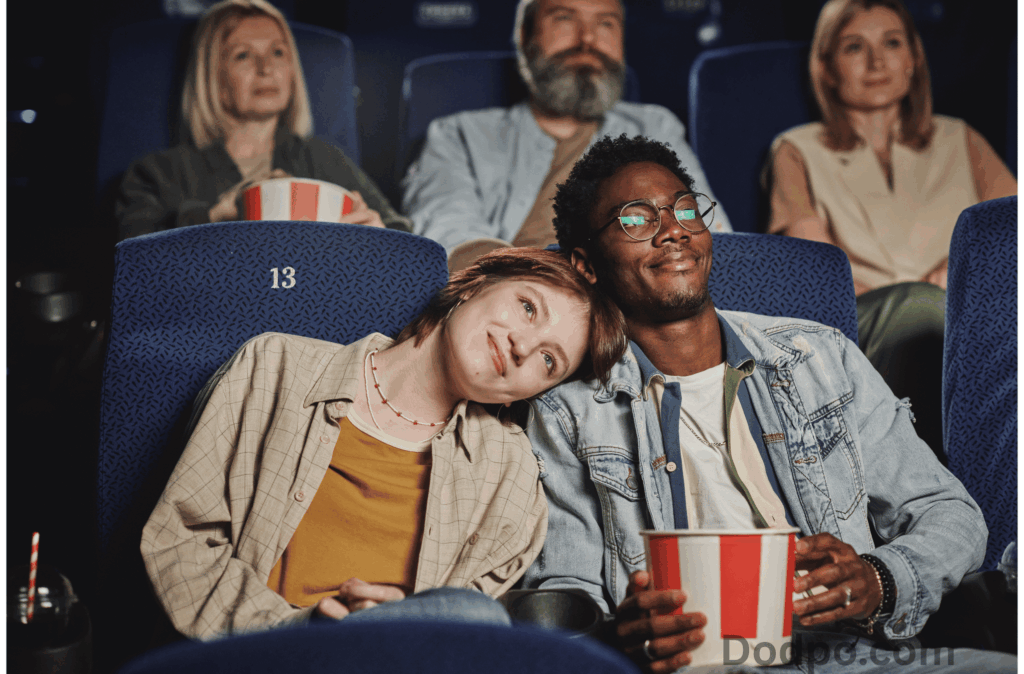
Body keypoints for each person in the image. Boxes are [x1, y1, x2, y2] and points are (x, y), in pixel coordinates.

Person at [522, 134, 1015, 673]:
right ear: (586, 264)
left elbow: (951, 514)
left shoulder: (819, 355)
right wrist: (620, 635)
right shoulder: (569, 409)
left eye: (685, 209)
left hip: (853, 656)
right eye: (636, 220)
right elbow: (567, 587)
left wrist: (880, 579)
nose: (672, 230)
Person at [140, 247, 626, 640]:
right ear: (475, 284)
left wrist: (401, 626)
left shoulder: (511, 477)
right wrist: (296, 629)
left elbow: (463, 639)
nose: (523, 346)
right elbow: (181, 540)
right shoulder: (276, 367)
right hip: (253, 657)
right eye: (527, 307)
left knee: (475, 619)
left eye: (548, 361)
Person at [764, 0, 1016, 460]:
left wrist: (958, 280)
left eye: (892, 43)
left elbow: (1010, 233)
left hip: (966, 317)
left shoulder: (961, 137)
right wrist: (930, 291)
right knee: (922, 308)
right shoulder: (795, 149)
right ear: (827, 67)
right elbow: (816, 272)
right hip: (861, 321)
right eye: (855, 46)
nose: (877, 62)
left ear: (913, 59)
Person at [402, 0, 732, 272]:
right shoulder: (458, 134)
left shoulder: (656, 127)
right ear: (523, 35)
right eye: (564, 18)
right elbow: (448, 231)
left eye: (606, 23)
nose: (588, 39)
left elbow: (706, 231)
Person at [115, 0, 407, 241]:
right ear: (211, 77)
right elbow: (131, 264)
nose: (266, 68)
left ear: (292, 71)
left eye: (278, 52)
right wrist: (215, 216)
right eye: (243, 55)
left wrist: (378, 239)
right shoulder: (157, 173)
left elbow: (405, 239)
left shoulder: (322, 158)